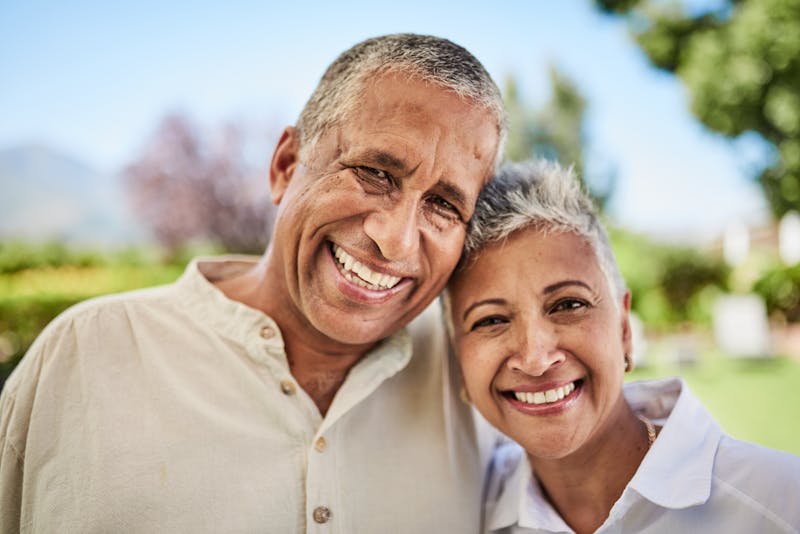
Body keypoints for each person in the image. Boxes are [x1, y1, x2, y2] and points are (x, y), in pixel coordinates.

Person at [0, 34, 506, 532]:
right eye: (374, 172)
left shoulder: (478, 381)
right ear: (285, 165)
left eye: (444, 205)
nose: (395, 240)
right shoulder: (84, 357)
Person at [444, 160, 800, 533]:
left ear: (624, 329)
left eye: (569, 304)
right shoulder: (468, 516)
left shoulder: (779, 502)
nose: (535, 358)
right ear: (459, 358)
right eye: (491, 320)